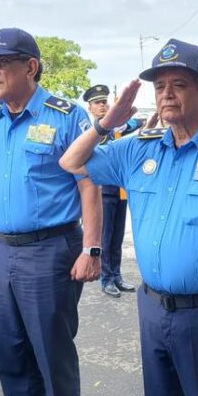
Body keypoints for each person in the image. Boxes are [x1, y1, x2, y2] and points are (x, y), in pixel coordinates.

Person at [60, 38, 198, 396]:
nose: (167, 95)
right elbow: (71, 162)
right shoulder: (137, 149)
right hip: (153, 309)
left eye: (178, 85)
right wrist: (105, 124)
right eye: (160, 86)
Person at [0, 27, 101, 396]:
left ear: (30, 67)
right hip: (2, 249)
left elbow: (88, 184)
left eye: (2, 63)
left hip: (51, 249)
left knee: (50, 353)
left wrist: (91, 248)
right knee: (11, 351)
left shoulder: (66, 115)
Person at [82, 84, 143, 298]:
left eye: (104, 102)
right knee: (105, 237)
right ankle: (106, 278)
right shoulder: (92, 131)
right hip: (103, 190)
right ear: (89, 107)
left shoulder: (116, 127)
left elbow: (137, 123)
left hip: (120, 190)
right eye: (98, 103)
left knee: (117, 236)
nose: (103, 106)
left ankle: (116, 275)